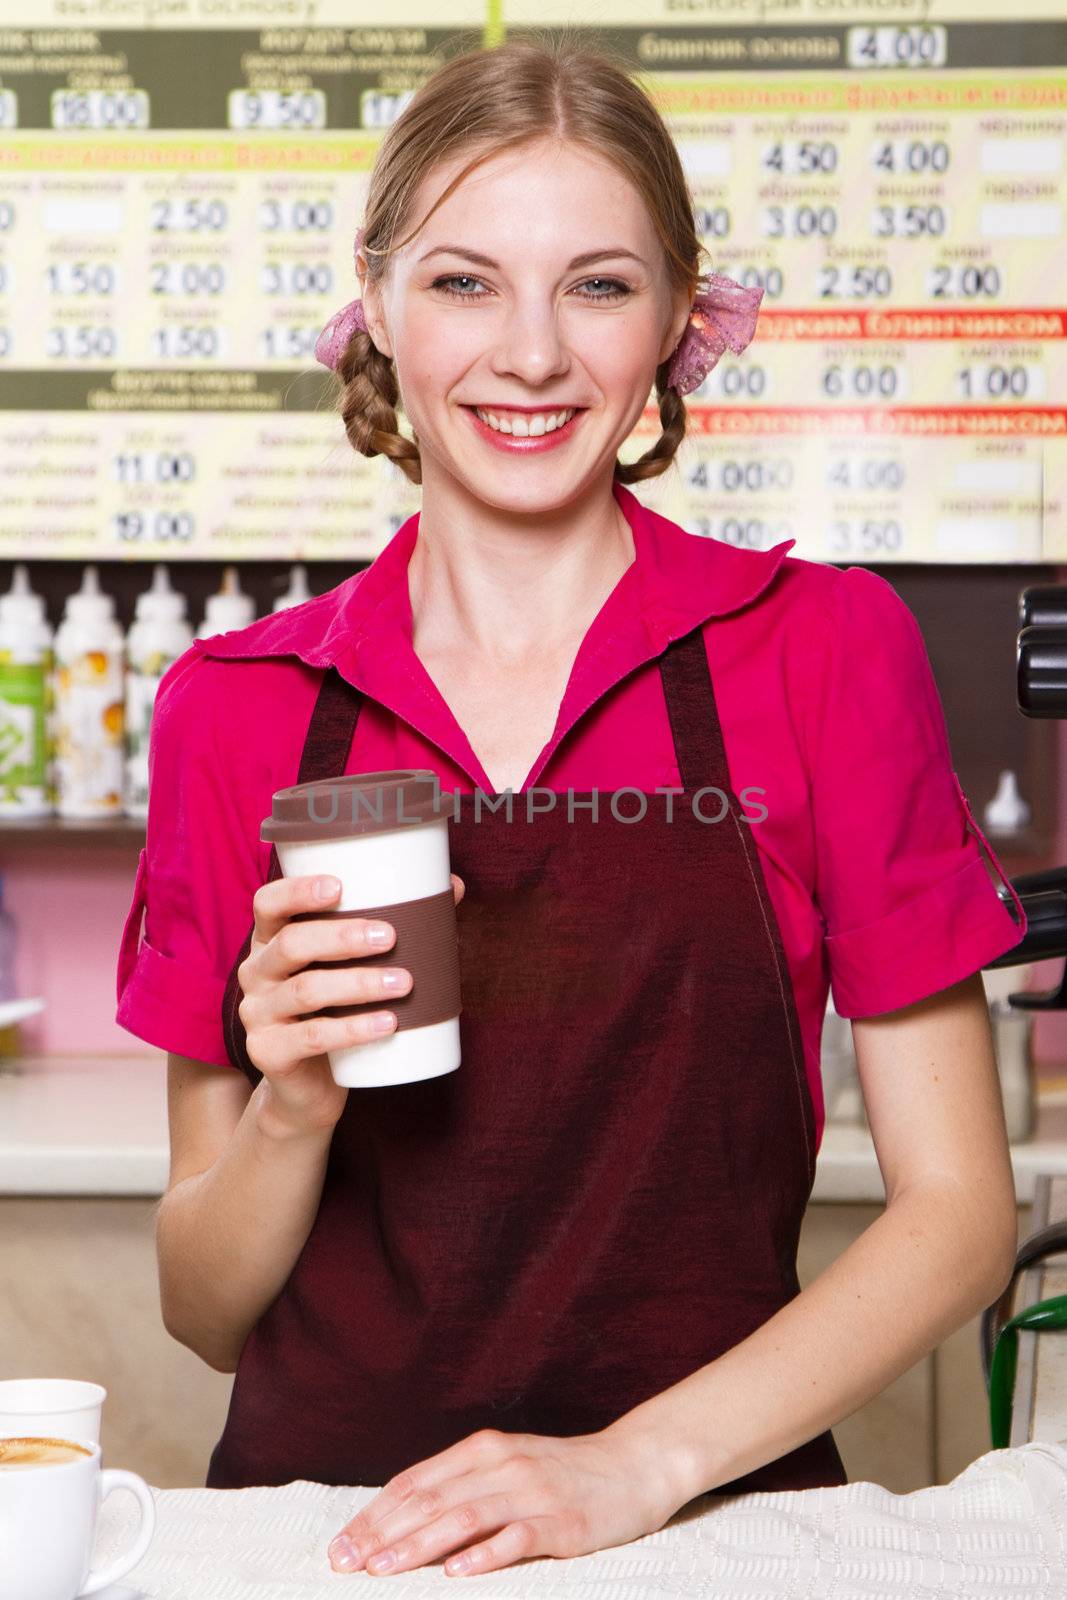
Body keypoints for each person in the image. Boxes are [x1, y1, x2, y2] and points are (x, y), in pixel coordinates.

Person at [115, 35, 1027, 1581]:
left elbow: (960, 1212)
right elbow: (204, 1313)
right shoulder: (237, 704)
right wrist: (294, 1102)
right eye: (467, 282)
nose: (531, 354)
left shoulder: (820, 648)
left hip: (712, 1521)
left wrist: (630, 1471)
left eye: (597, 287)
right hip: (337, 1537)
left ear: (678, 316)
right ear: (379, 307)